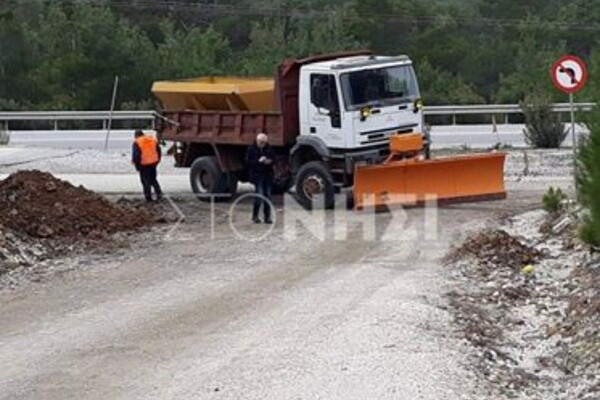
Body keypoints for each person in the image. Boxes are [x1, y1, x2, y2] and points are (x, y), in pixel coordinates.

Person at [245, 133, 275, 224]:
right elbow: (248, 162)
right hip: (257, 175)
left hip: (267, 175)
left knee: (267, 196)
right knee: (259, 195)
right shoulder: (251, 149)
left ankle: (267, 217)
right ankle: (255, 216)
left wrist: (269, 161)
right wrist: (258, 161)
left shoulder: (269, 148)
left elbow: (274, 159)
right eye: (261, 142)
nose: (263, 144)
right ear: (257, 141)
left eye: (264, 142)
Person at [132, 129, 163, 203]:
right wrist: (157, 160)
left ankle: (148, 197)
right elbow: (158, 150)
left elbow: (136, 155)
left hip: (143, 164)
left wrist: (137, 165)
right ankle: (159, 193)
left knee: (145, 181)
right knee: (153, 179)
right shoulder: (151, 139)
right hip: (153, 163)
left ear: (136, 136)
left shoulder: (137, 142)